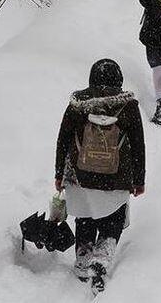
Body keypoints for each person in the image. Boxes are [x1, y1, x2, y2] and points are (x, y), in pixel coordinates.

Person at [55, 59, 146, 294]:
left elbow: (63, 139)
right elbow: (138, 144)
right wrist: (139, 180)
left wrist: (59, 174)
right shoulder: (128, 106)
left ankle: (83, 257)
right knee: (113, 218)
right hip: (116, 177)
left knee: (85, 216)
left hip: (80, 175)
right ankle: (102, 256)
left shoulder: (78, 104)